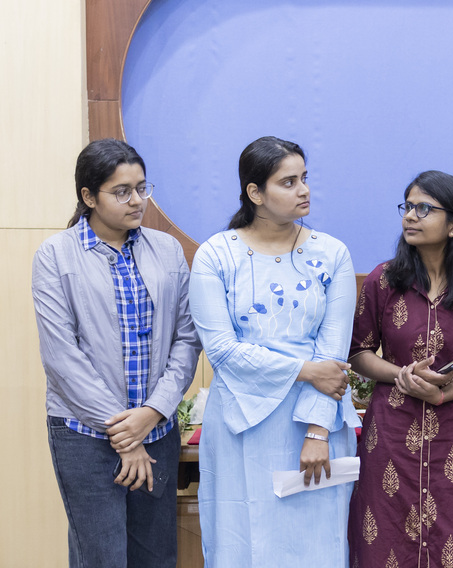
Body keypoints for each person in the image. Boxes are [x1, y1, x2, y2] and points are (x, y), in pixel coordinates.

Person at [32, 138, 201, 567]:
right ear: (89, 197)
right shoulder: (55, 255)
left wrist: (152, 412)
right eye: (122, 191)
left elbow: (187, 339)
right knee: (101, 558)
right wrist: (125, 434)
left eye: (142, 188)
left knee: (156, 557)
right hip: (84, 435)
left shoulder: (166, 250)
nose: (137, 200)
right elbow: (61, 357)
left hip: (156, 431)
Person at [189, 136, 357, 566]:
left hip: (313, 419)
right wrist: (306, 370)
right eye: (288, 182)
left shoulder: (332, 253)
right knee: (241, 544)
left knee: (317, 546)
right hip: (239, 422)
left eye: (304, 178)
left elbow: (333, 356)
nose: (304, 190)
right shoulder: (216, 255)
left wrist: (317, 432)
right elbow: (222, 350)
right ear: (255, 193)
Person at [348, 170, 453, 567]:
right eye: (407, 206)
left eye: (424, 208)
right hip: (390, 433)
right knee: (383, 544)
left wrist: (444, 392)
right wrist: (401, 375)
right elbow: (359, 352)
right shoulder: (383, 281)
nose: (410, 216)